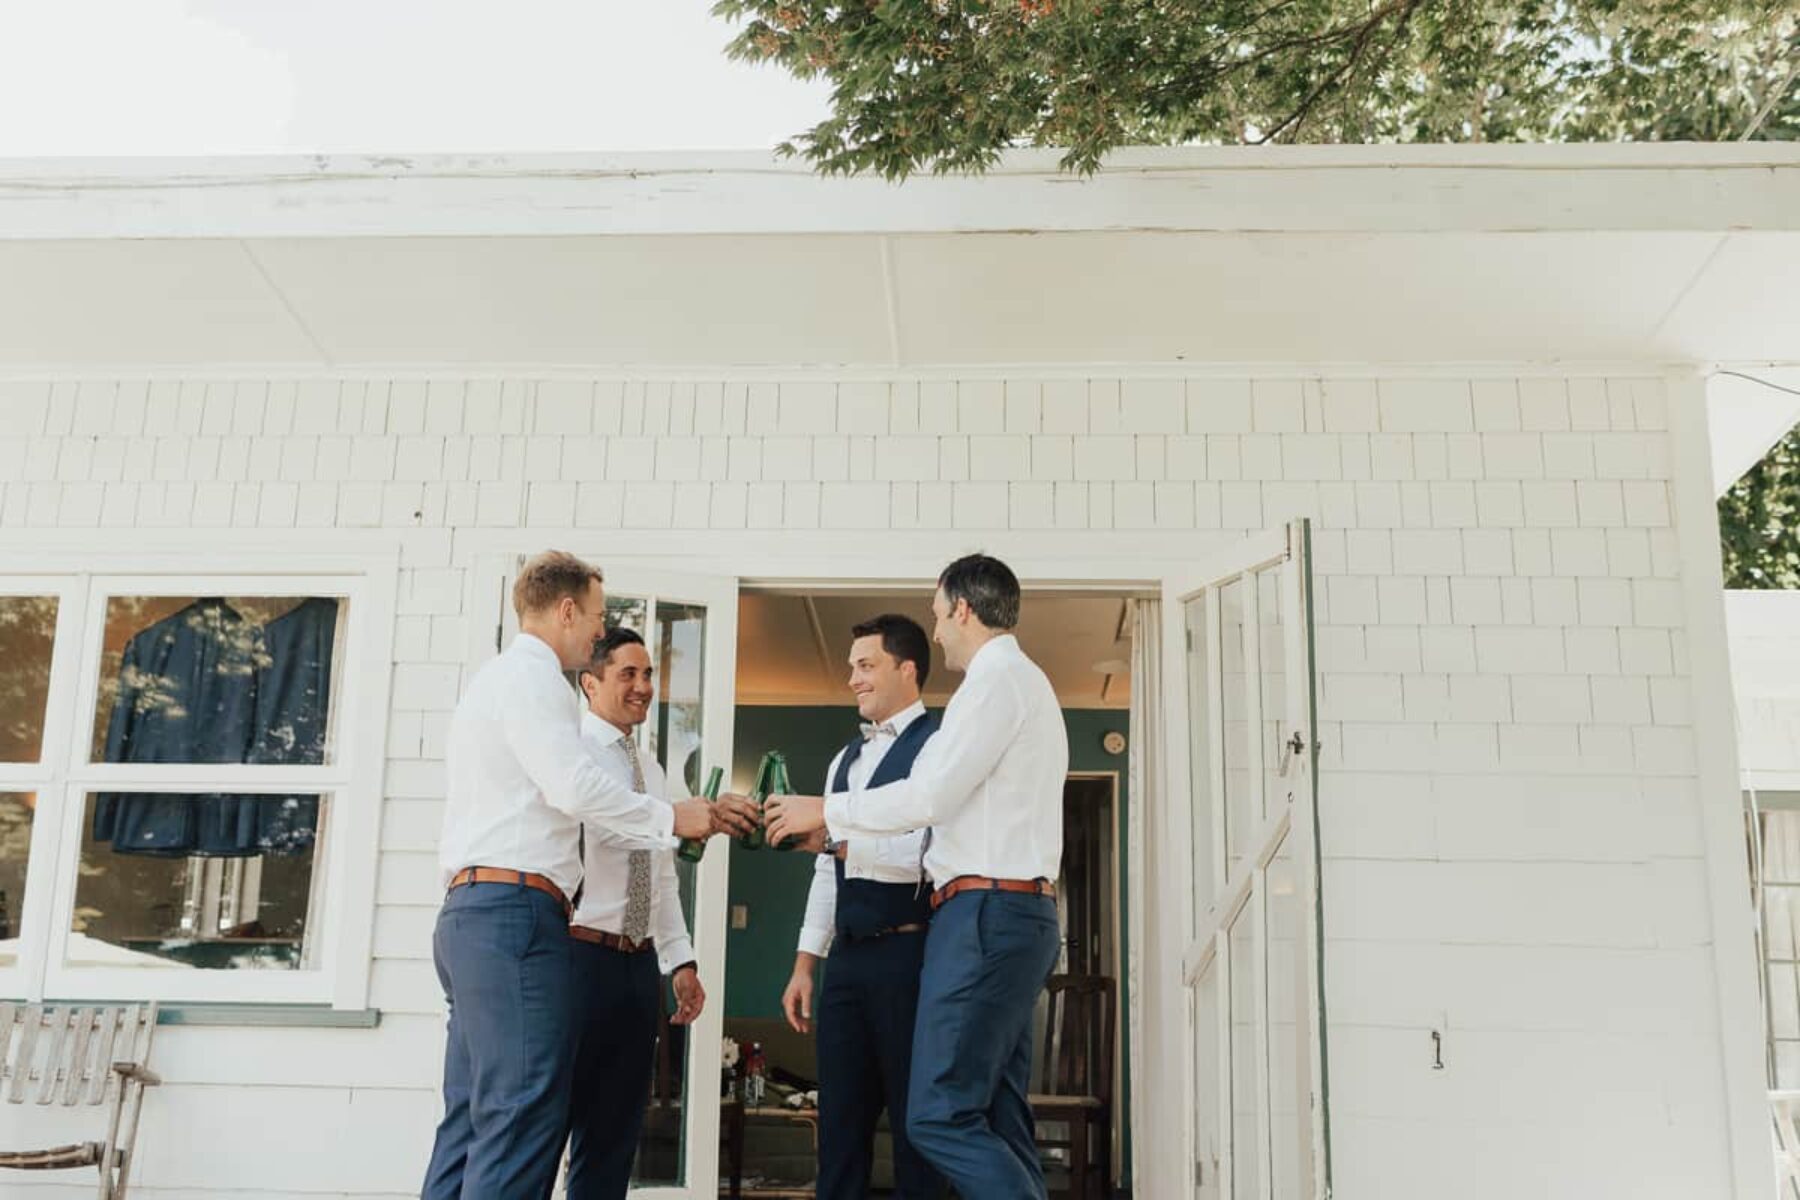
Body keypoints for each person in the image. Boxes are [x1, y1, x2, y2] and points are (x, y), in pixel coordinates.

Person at [423, 551, 729, 1200]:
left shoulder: (495, 681)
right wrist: (672, 815)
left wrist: (678, 957)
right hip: (516, 918)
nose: (598, 630)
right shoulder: (537, 682)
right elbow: (574, 787)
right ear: (566, 610)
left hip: (474, 914)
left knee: (473, 1118)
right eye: (596, 616)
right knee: (520, 1114)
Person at [766, 554, 1065, 1198]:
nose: (937, 633)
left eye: (938, 617)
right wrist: (833, 843)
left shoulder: (991, 684)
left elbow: (927, 799)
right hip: (1013, 913)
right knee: (999, 1114)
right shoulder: (1024, 683)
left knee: (936, 1117)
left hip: (983, 914)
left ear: (962, 609)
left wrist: (828, 814)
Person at [563, 627, 756, 1199]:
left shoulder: (652, 768)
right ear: (590, 682)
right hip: (576, 957)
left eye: (649, 675)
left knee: (615, 1134)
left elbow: (662, 875)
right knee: (550, 1123)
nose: (644, 687)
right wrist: (672, 814)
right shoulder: (569, 754)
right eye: (629, 674)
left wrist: (681, 961)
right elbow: (608, 823)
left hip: (634, 968)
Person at [780, 615, 946, 1200]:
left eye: (866, 665)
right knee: (841, 1123)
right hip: (846, 965)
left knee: (914, 1127)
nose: (853, 678)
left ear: (908, 669)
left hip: (911, 956)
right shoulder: (844, 759)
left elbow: (921, 857)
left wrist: (834, 835)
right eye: (852, 666)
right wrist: (805, 964)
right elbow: (828, 868)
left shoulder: (940, 748)